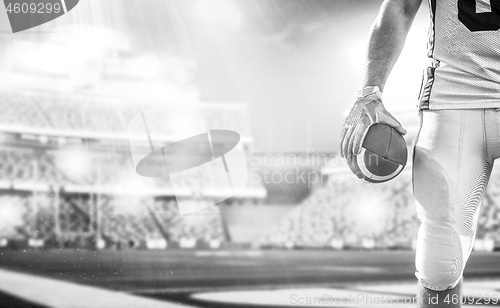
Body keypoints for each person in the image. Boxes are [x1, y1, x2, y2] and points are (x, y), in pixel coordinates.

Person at [340, 0, 500, 307]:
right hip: (455, 93)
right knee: (440, 264)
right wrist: (369, 92)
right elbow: (400, 6)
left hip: (454, 95)